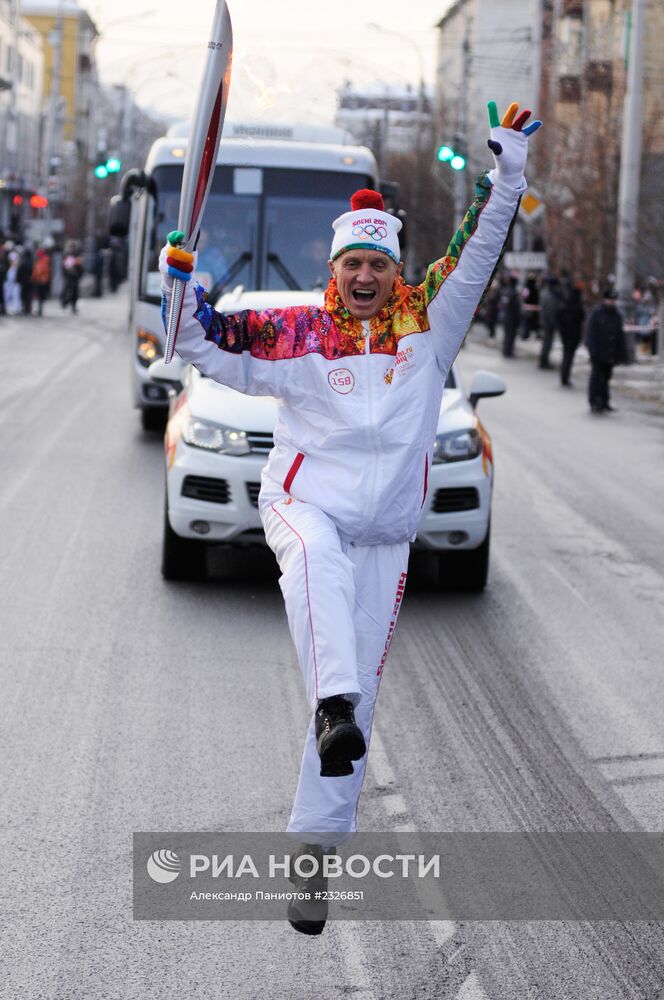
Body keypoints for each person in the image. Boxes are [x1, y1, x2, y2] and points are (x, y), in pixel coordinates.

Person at [159, 100, 541, 935]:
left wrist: (505, 175)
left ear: (393, 269)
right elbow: (201, 341)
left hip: (386, 535)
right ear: (333, 271)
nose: (364, 276)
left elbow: (474, 252)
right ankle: (331, 702)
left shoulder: (428, 327)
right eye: (351, 264)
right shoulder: (299, 332)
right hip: (303, 504)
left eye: (377, 262)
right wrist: (179, 285)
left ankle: (314, 863)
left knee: (356, 715)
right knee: (320, 578)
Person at [585, 288, 628, 413]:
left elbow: (620, 336)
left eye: (613, 300)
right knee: (597, 378)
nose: (611, 302)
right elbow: (590, 334)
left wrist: (621, 354)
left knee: (607, 378)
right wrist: (592, 351)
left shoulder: (617, 315)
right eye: (609, 300)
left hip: (610, 353)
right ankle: (594, 400)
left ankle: (604, 401)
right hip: (598, 353)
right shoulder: (596, 314)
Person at [558, 272, 585, 386]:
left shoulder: (566, 302)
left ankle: (564, 376)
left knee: (566, 355)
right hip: (572, 334)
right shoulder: (577, 305)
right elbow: (581, 316)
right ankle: (565, 377)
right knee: (569, 356)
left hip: (566, 333)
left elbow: (559, 316)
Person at [538, 273, 561, 369]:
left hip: (545, 321)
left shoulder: (545, 293)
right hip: (548, 323)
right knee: (547, 342)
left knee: (546, 342)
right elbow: (551, 311)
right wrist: (554, 323)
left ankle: (543, 360)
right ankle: (544, 361)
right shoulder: (550, 295)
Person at [500, 273, 521, 357]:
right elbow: (516, 307)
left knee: (506, 334)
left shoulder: (505, 291)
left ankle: (505, 350)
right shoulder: (514, 293)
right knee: (511, 335)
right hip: (512, 318)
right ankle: (508, 352)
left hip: (505, 316)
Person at [61, 242, 83, 314]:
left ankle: (73, 306)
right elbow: (64, 267)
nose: (72, 249)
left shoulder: (77, 256)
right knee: (68, 291)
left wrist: (78, 274)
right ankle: (65, 302)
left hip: (75, 277)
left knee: (75, 293)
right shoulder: (67, 256)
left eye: (73, 247)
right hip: (69, 277)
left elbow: (80, 267)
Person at [31, 248, 51, 317]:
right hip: (40, 280)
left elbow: (39, 271)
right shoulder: (41, 261)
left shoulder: (43, 261)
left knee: (40, 296)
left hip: (41, 281)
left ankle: (40, 309)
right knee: (40, 296)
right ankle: (39, 309)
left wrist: (34, 277)